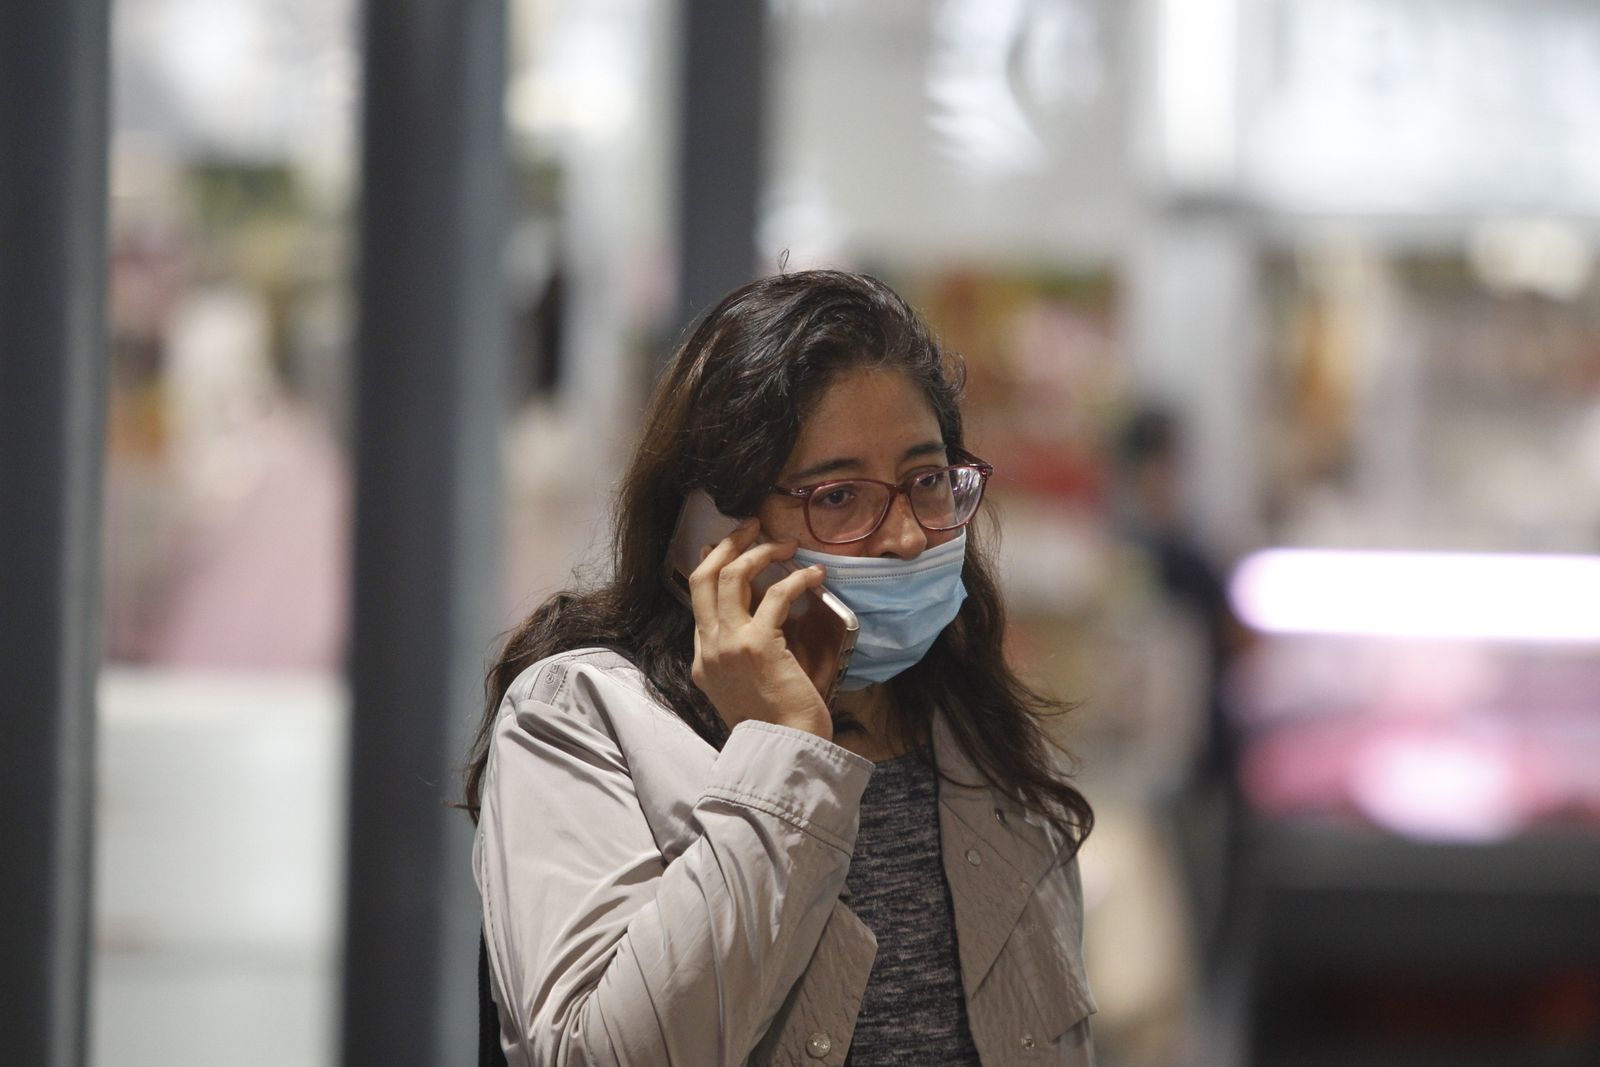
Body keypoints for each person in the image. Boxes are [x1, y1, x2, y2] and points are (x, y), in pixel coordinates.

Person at [464, 270, 1097, 1065]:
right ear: (712, 532)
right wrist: (783, 751)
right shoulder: (582, 715)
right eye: (838, 496)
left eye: (928, 480)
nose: (907, 535)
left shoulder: (971, 725)